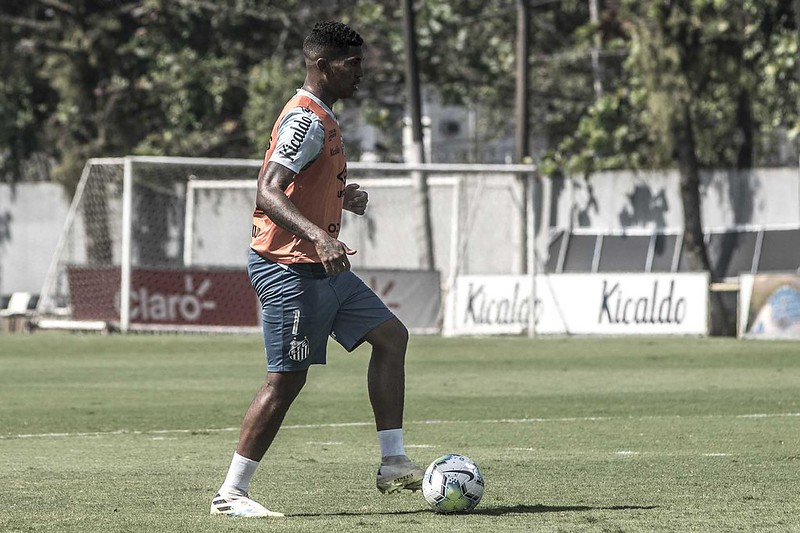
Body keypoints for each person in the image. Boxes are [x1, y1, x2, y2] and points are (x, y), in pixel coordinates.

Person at [210, 21, 424, 518]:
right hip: (288, 268)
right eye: (352, 64)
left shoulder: (323, 116)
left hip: (323, 267)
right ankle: (231, 494)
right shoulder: (304, 120)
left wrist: (339, 198)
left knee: (391, 336)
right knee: (286, 380)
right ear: (322, 65)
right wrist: (320, 235)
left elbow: (300, 184)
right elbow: (268, 190)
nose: (360, 73)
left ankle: (393, 461)